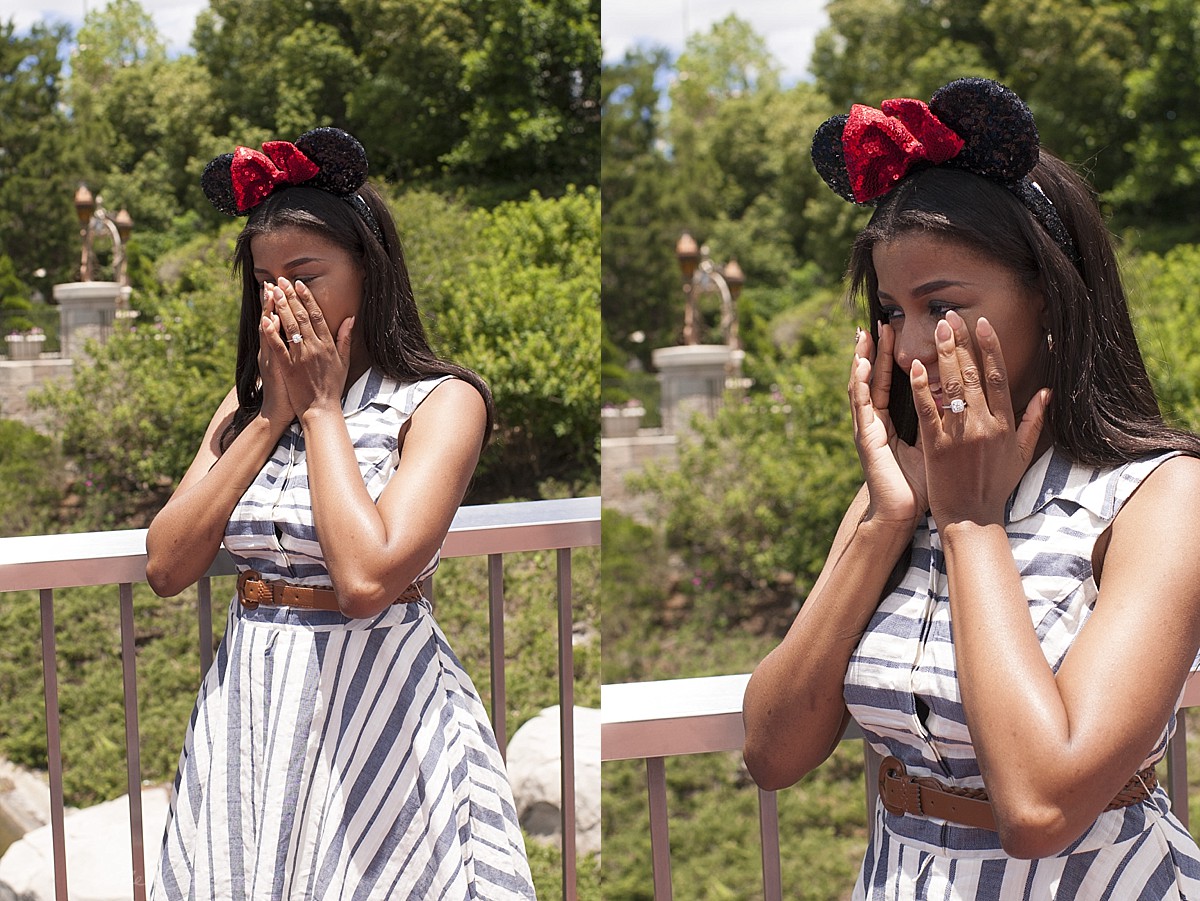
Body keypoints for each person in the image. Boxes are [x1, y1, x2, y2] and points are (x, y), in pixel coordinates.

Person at [742, 77, 1200, 898]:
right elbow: (773, 752)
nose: (911, 344)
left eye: (940, 305)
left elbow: (1039, 805)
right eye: (889, 312)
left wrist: (971, 526)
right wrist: (888, 516)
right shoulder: (901, 491)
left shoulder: (1160, 499)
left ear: (1051, 300)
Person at [144, 127, 537, 899]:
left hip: (381, 699)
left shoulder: (441, 402)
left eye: (305, 274)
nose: (281, 297)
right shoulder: (242, 409)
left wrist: (322, 410)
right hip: (251, 706)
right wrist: (267, 418)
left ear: (368, 272)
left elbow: (365, 581)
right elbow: (167, 564)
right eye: (263, 280)